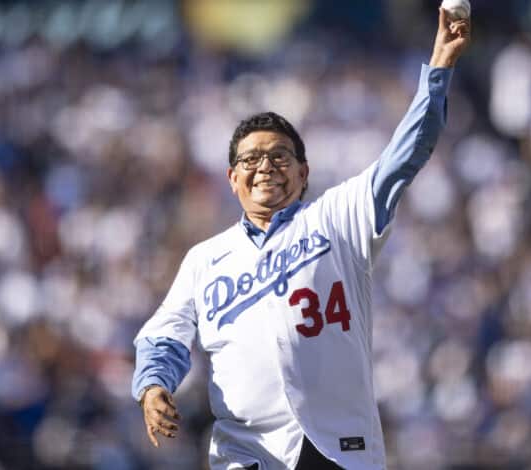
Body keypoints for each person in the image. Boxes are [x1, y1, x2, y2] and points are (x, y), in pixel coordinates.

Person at [132, 8, 471, 470]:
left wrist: (439, 69)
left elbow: (404, 157)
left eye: (279, 156)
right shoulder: (205, 259)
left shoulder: (335, 217)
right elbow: (164, 335)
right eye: (250, 160)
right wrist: (154, 385)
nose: (265, 166)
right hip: (245, 455)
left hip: (336, 446)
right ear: (232, 179)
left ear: (303, 172)